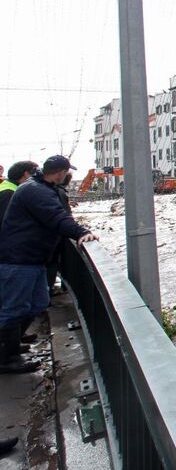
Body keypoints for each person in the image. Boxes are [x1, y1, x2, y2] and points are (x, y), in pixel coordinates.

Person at [0, 155, 98, 374]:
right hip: (20, 260)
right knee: (14, 309)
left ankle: (10, 345)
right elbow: (57, 218)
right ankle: (7, 358)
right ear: (61, 173)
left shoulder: (35, 187)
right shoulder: (36, 191)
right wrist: (81, 232)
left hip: (31, 259)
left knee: (37, 303)